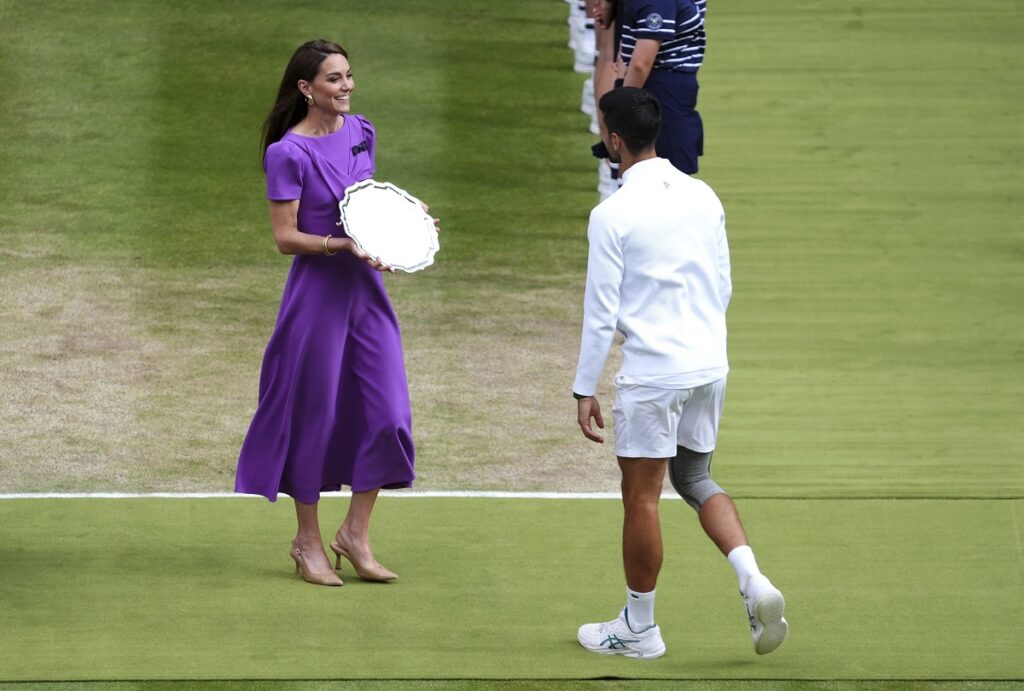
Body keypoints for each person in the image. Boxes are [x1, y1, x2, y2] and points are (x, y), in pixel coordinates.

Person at [571, 87, 787, 659]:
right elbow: (723, 285)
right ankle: (754, 582)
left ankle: (639, 629)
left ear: (614, 140)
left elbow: (599, 313)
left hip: (655, 373)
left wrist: (583, 387)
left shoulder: (610, 214)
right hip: (708, 364)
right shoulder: (702, 195)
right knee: (694, 479)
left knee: (640, 497)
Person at [236, 39, 430, 587]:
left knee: (389, 414)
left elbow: (368, 202)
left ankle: (355, 534)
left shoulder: (362, 130)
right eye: (333, 79)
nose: (345, 86)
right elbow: (284, 237)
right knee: (314, 417)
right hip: (317, 299)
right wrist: (342, 246)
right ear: (306, 89)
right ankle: (307, 541)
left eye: (348, 76)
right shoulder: (287, 154)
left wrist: (409, 221)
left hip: (367, 295)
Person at [591, 0, 707, 187]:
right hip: (658, 89)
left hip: (660, 87)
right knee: (664, 177)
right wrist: (623, 108)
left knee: (660, 174)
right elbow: (639, 64)